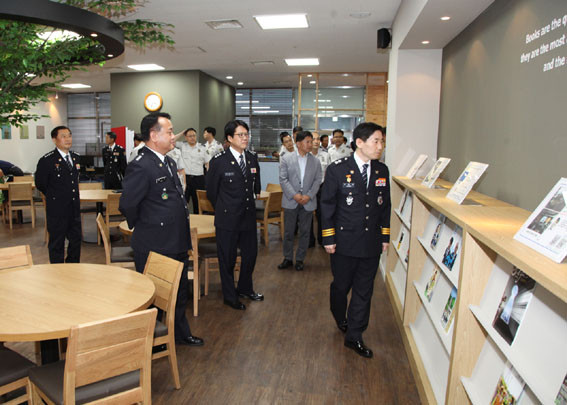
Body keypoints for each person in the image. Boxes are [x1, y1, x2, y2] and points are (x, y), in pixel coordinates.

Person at [119, 112, 203, 347]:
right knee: (155, 296)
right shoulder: (141, 165)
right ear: (154, 136)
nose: (174, 135)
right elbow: (127, 204)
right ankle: (155, 341)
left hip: (176, 240)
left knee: (178, 292)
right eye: (169, 131)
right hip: (155, 243)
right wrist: (148, 225)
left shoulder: (169, 161)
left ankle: (179, 333)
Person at [321, 122, 390, 358]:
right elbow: (327, 205)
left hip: (371, 242)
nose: (380, 146)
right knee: (341, 287)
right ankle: (340, 316)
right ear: (359, 142)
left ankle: (355, 335)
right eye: (376, 141)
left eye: (382, 141)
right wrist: (328, 238)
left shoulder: (381, 171)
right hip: (344, 242)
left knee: (364, 290)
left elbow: (385, 206)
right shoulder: (338, 169)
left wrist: (384, 236)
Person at [205, 120, 263, 310]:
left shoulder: (251, 158)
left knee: (250, 255)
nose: (245, 138)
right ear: (230, 138)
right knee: (227, 258)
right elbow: (211, 192)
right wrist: (224, 207)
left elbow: (255, 185)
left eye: (246, 134)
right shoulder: (219, 160)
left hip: (248, 216)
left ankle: (245, 288)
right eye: (240, 135)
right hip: (227, 218)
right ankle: (230, 296)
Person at [35, 126, 82, 263]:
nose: (68, 139)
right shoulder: (47, 160)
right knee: (57, 243)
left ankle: (73, 268)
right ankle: (57, 270)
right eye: (63, 136)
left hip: (74, 208)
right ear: (54, 140)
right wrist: (55, 196)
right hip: (57, 209)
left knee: (76, 241)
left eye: (69, 135)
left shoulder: (76, 157)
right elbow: (41, 184)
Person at [278, 131, 322, 271]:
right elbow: (283, 179)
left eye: (311, 141)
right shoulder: (286, 158)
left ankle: (300, 259)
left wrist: (309, 196)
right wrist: (294, 195)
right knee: (288, 232)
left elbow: (318, 180)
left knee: (305, 232)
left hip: (308, 201)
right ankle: (288, 258)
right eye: (307, 141)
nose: (311, 144)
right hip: (291, 200)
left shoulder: (315, 161)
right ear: (298, 143)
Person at [174, 128, 207, 213]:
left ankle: (199, 220)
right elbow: (172, 140)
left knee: (198, 204)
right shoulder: (182, 145)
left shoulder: (203, 148)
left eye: (194, 135)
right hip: (186, 178)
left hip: (199, 179)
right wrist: (182, 132)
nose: (192, 138)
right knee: (183, 202)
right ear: (186, 137)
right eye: (190, 136)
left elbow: (207, 164)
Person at [309, 131, 331, 247]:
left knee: (322, 215)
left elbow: (330, 172)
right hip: (308, 188)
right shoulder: (305, 155)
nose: (316, 141)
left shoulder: (326, 155)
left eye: (318, 139)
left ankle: (322, 240)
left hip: (322, 187)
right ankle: (309, 240)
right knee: (308, 215)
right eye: (314, 139)